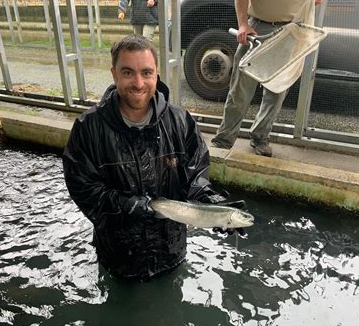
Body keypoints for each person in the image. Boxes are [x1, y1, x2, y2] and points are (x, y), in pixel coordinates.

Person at [63, 35, 245, 281]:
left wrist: (212, 204)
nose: (138, 83)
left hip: (171, 252)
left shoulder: (181, 122)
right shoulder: (89, 127)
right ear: (114, 73)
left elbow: (195, 178)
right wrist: (131, 206)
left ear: (156, 74)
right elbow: (83, 189)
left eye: (146, 73)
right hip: (119, 258)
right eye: (128, 72)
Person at [211, 0, 327, 157]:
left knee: (277, 92)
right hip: (257, 30)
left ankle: (260, 137)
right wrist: (243, 24)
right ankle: (223, 140)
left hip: (291, 31)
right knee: (240, 91)